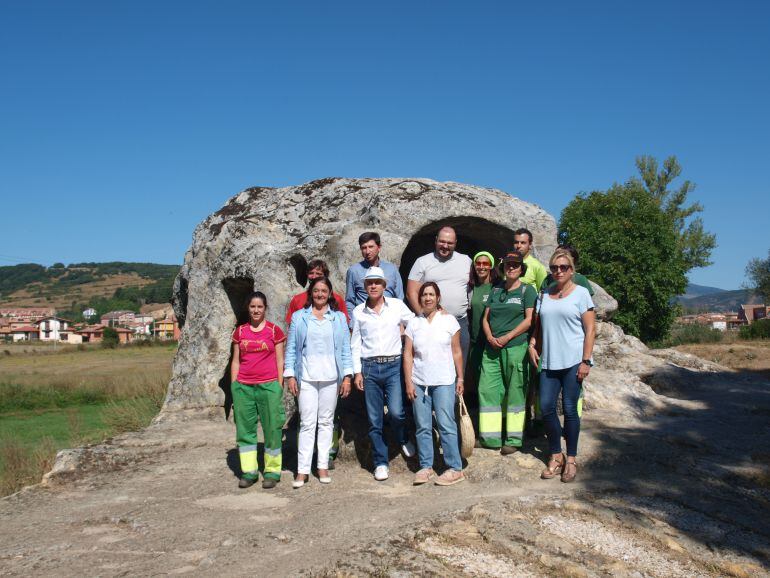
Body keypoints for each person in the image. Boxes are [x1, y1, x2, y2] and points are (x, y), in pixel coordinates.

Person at [529, 249, 596, 483]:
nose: (559, 271)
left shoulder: (581, 294)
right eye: (555, 268)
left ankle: (572, 458)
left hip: (573, 361)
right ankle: (556, 455)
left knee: (569, 410)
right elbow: (539, 324)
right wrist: (533, 342)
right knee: (546, 408)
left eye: (564, 267)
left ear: (572, 270)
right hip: (549, 360)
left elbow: (590, 330)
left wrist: (586, 360)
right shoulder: (545, 294)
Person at [284, 277, 354, 488]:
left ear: (330, 293)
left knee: (326, 422)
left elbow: (345, 350)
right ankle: (302, 470)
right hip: (306, 376)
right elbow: (292, 349)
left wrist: (348, 377)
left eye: (324, 291)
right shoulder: (299, 317)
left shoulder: (339, 318)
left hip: (331, 377)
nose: (320, 294)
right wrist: (290, 375)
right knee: (306, 423)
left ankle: (322, 465)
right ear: (310, 293)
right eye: (316, 291)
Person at [351, 266, 415, 481]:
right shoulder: (359, 311)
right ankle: (380, 461)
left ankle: (402, 437)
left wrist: (405, 333)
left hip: (393, 365)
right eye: (370, 283)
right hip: (369, 368)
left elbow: (414, 323)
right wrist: (357, 372)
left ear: (384, 286)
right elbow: (355, 344)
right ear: (365, 286)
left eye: (377, 282)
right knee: (374, 418)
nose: (373, 286)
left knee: (397, 412)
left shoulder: (396, 306)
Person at [403, 282, 465, 486]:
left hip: (444, 380)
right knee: (422, 426)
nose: (427, 298)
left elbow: (457, 351)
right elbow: (408, 354)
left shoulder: (449, 321)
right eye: (424, 295)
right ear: (419, 299)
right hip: (420, 381)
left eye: (431, 294)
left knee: (446, 424)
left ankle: (455, 467)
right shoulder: (414, 323)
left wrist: (460, 378)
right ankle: (426, 466)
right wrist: (409, 382)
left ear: (438, 298)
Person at [477, 252, 537, 453]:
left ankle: (513, 440)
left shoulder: (527, 291)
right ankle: (490, 438)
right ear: (503, 268)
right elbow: (485, 318)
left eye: (516, 265)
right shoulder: (495, 290)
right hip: (492, 348)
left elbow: (529, 320)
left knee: (515, 391)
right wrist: (489, 337)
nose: (511, 267)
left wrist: (507, 337)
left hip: (515, 347)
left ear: (521, 269)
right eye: (508, 264)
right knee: (488, 390)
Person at [230, 291, 286, 489]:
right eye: (252, 306)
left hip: (269, 385)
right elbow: (235, 361)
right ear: (248, 308)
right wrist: (234, 385)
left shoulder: (274, 331)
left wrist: (279, 386)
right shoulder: (240, 332)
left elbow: (280, 360)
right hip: (243, 387)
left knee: (272, 429)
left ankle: (271, 471)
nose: (256, 310)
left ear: (265, 308)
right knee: (245, 430)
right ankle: (249, 471)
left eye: (259, 307)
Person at [406, 226, 473, 367]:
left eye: (450, 243)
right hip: (433, 323)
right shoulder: (422, 262)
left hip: (460, 322)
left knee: (459, 366)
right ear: (436, 241)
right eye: (442, 241)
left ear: (455, 243)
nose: (445, 246)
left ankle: (458, 389)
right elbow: (411, 292)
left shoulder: (466, 261)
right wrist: (424, 318)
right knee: (433, 365)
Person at [345, 231, 404, 324]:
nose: (367, 251)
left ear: (379, 247)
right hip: (365, 320)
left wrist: (400, 322)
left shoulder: (391, 269)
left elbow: (400, 297)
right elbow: (350, 301)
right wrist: (353, 324)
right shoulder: (354, 271)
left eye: (371, 247)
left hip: (390, 320)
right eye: (364, 248)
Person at [467, 251, 499, 391]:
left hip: (492, 341)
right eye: (478, 263)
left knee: (490, 380)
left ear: (491, 266)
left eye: (485, 263)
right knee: (478, 377)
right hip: (475, 341)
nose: (481, 267)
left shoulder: (497, 287)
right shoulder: (470, 288)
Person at [285, 259, 349, 325]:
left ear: (325, 276)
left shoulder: (337, 299)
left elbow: (344, 324)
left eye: (318, 274)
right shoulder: (297, 300)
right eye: (311, 273)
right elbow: (291, 325)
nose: (314, 277)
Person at [513, 228, 548, 293]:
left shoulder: (538, 267)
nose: (518, 246)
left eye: (523, 243)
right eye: (516, 242)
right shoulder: (507, 264)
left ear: (530, 245)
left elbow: (543, 293)